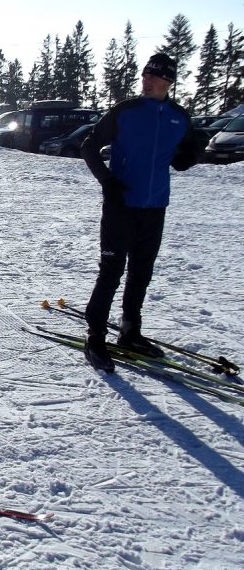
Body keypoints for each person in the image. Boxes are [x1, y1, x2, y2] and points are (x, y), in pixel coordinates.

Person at [80, 52, 203, 372]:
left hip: (155, 206)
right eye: (145, 75)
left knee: (140, 274)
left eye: (155, 76)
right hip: (121, 205)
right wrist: (106, 180)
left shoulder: (179, 116)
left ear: (168, 81)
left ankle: (130, 331)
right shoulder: (126, 111)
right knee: (111, 272)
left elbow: (187, 151)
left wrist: (191, 154)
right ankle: (94, 338)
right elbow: (88, 146)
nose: (147, 81)